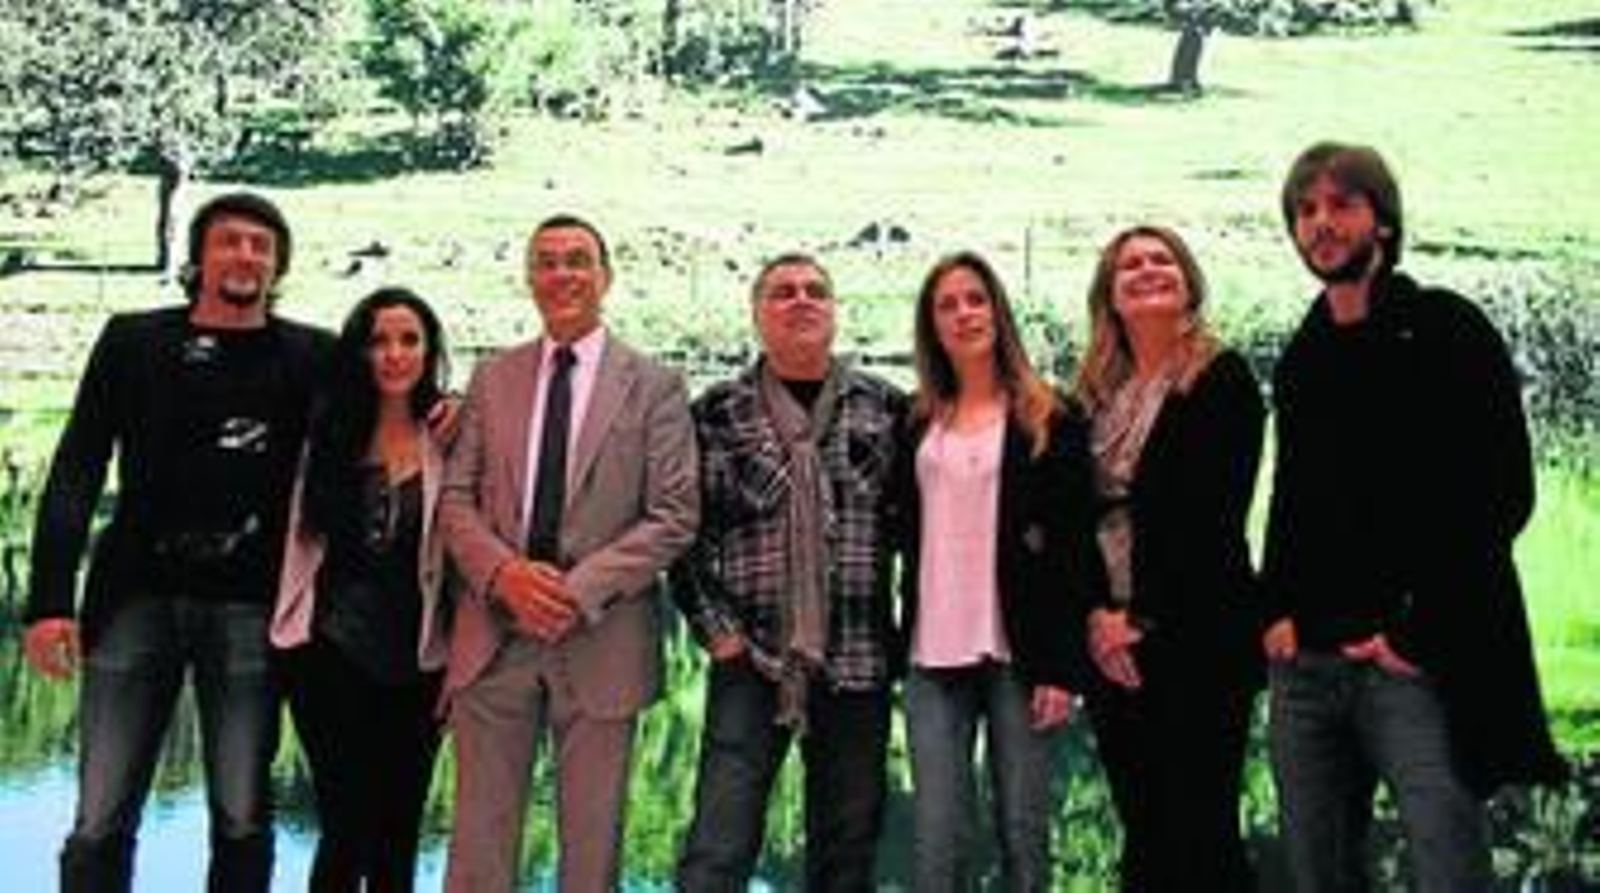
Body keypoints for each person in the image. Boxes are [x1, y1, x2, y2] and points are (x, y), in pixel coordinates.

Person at [1262, 141, 1569, 892]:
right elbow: (1294, 502)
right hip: (1307, 671)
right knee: (1316, 873)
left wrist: (1417, 630)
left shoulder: (1445, 329)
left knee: (1446, 867)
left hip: (1412, 664)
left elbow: (1502, 492)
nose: (1321, 223)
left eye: (1342, 204)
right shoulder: (1304, 355)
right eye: (1306, 210)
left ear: (1384, 221)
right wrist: (1275, 614)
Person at [21, 191, 330, 892]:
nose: (245, 255)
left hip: (251, 604)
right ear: (199, 257)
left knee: (243, 815)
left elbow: (375, 435)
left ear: (278, 266)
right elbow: (77, 468)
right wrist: (48, 602)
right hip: (136, 595)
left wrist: (447, 413)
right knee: (99, 815)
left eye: (261, 246)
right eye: (229, 241)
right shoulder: (134, 342)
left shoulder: (312, 355)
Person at [437, 214, 699, 892]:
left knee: (591, 851)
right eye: (547, 261)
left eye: (578, 260)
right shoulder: (493, 377)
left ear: (606, 276)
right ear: (530, 279)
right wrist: (505, 575)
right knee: (478, 849)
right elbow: (455, 499)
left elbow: (674, 514)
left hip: (601, 636)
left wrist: (573, 590)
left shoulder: (656, 385)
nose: (563, 274)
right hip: (495, 637)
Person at [672, 253, 905, 892]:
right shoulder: (716, 412)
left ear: (834, 311)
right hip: (750, 656)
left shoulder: (885, 407)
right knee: (718, 846)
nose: (801, 301)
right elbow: (684, 534)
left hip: (856, 658)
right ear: (757, 315)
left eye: (815, 291)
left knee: (847, 850)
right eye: (782, 292)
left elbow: (918, 528)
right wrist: (718, 632)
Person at [897, 251, 1099, 892]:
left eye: (976, 299)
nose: (964, 314)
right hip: (932, 653)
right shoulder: (917, 420)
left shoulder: (1050, 416)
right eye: (947, 305)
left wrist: (1064, 668)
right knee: (937, 841)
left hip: (1022, 653)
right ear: (932, 325)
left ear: (998, 312)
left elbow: (1074, 550)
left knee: (1023, 833)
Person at [1072, 226, 1265, 892]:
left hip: (1197, 637)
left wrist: (1142, 619)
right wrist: (1097, 617)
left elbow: (1211, 517)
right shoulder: (1095, 397)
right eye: (1130, 264)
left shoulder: (1221, 378)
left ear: (1189, 284)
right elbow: (1073, 518)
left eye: (1163, 260)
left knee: (1202, 833)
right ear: (1110, 294)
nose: (1148, 269)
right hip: (1110, 645)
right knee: (1146, 830)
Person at [271, 286, 453, 892]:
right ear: (358, 352)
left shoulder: (451, 439)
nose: (394, 354)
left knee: (398, 835)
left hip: (421, 667)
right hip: (329, 657)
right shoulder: (326, 437)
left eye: (409, 340)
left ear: (429, 351)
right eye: (378, 341)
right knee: (345, 828)